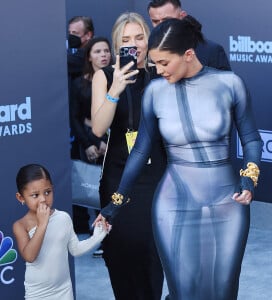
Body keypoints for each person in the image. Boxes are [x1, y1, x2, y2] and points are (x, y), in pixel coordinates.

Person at [97, 16, 262, 300]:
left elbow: (251, 139)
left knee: (223, 291)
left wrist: (249, 178)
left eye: (164, 63)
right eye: (155, 63)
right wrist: (115, 203)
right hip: (173, 203)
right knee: (183, 291)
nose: (158, 70)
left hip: (227, 203)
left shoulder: (229, 84)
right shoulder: (155, 92)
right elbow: (140, 151)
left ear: (188, 55)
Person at [91, 12, 165, 300]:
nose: (134, 44)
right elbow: (98, 127)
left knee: (152, 257)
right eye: (126, 40)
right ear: (117, 45)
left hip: (158, 179)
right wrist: (116, 88)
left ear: (149, 40)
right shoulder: (105, 75)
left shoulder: (161, 74)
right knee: (122, 256)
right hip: (118, 178)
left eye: (139, 37)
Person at [12, 164, 108, 300]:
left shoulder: (63, 218)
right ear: (21, 198)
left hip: (63, 290)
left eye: (47, 192)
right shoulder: (20, 225)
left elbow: (75, 250)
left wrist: (99, 235)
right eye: (35, 195)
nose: (43, 199)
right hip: (37, 294)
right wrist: (42, 224)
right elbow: (30, 256)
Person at [70, 36, 113, 257]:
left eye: (106, 51)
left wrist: (109, 142)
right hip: (90, 144)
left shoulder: (119, 78)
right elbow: (76, 119)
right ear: (89, 56)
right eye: (97, 51)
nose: (103, 55)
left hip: (115, 143)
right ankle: (101, 238)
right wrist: (92, 143)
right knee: (97, 190)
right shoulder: (79, 84)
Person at [67, 16, 95, 234]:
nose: (70, 38)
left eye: (75, 34)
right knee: (82, 179)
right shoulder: (77, 79)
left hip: (105, 137)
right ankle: (81, 226)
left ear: (88, 36)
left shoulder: (83, 61)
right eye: (69, 33)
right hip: (81, 135)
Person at [147, 0, 231, 71]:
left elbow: (226, 87)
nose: (161, 25)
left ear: (182, 16)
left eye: (167, 20)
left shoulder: (212, 51)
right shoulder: (148, 53)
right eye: (156, 21)